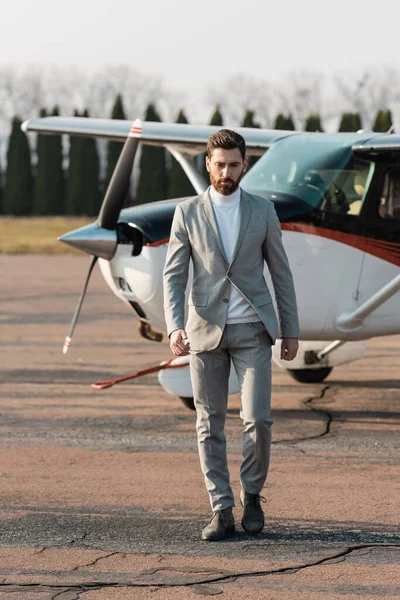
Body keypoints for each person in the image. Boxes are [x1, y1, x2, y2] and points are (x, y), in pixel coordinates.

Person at [163, 129, 299, 541]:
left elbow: (281, 273)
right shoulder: (186, 212)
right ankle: (220, 508)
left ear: (244, 165)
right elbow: (174, 275)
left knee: (258, 418)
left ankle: (252, 496)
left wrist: (290, 329)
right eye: (219, 164)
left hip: (253, 330)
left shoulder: (262, 211)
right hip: (205, 331)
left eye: (234, 164)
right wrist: (173, 326)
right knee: (209, 422)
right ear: (208, 164)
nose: (226, 172)